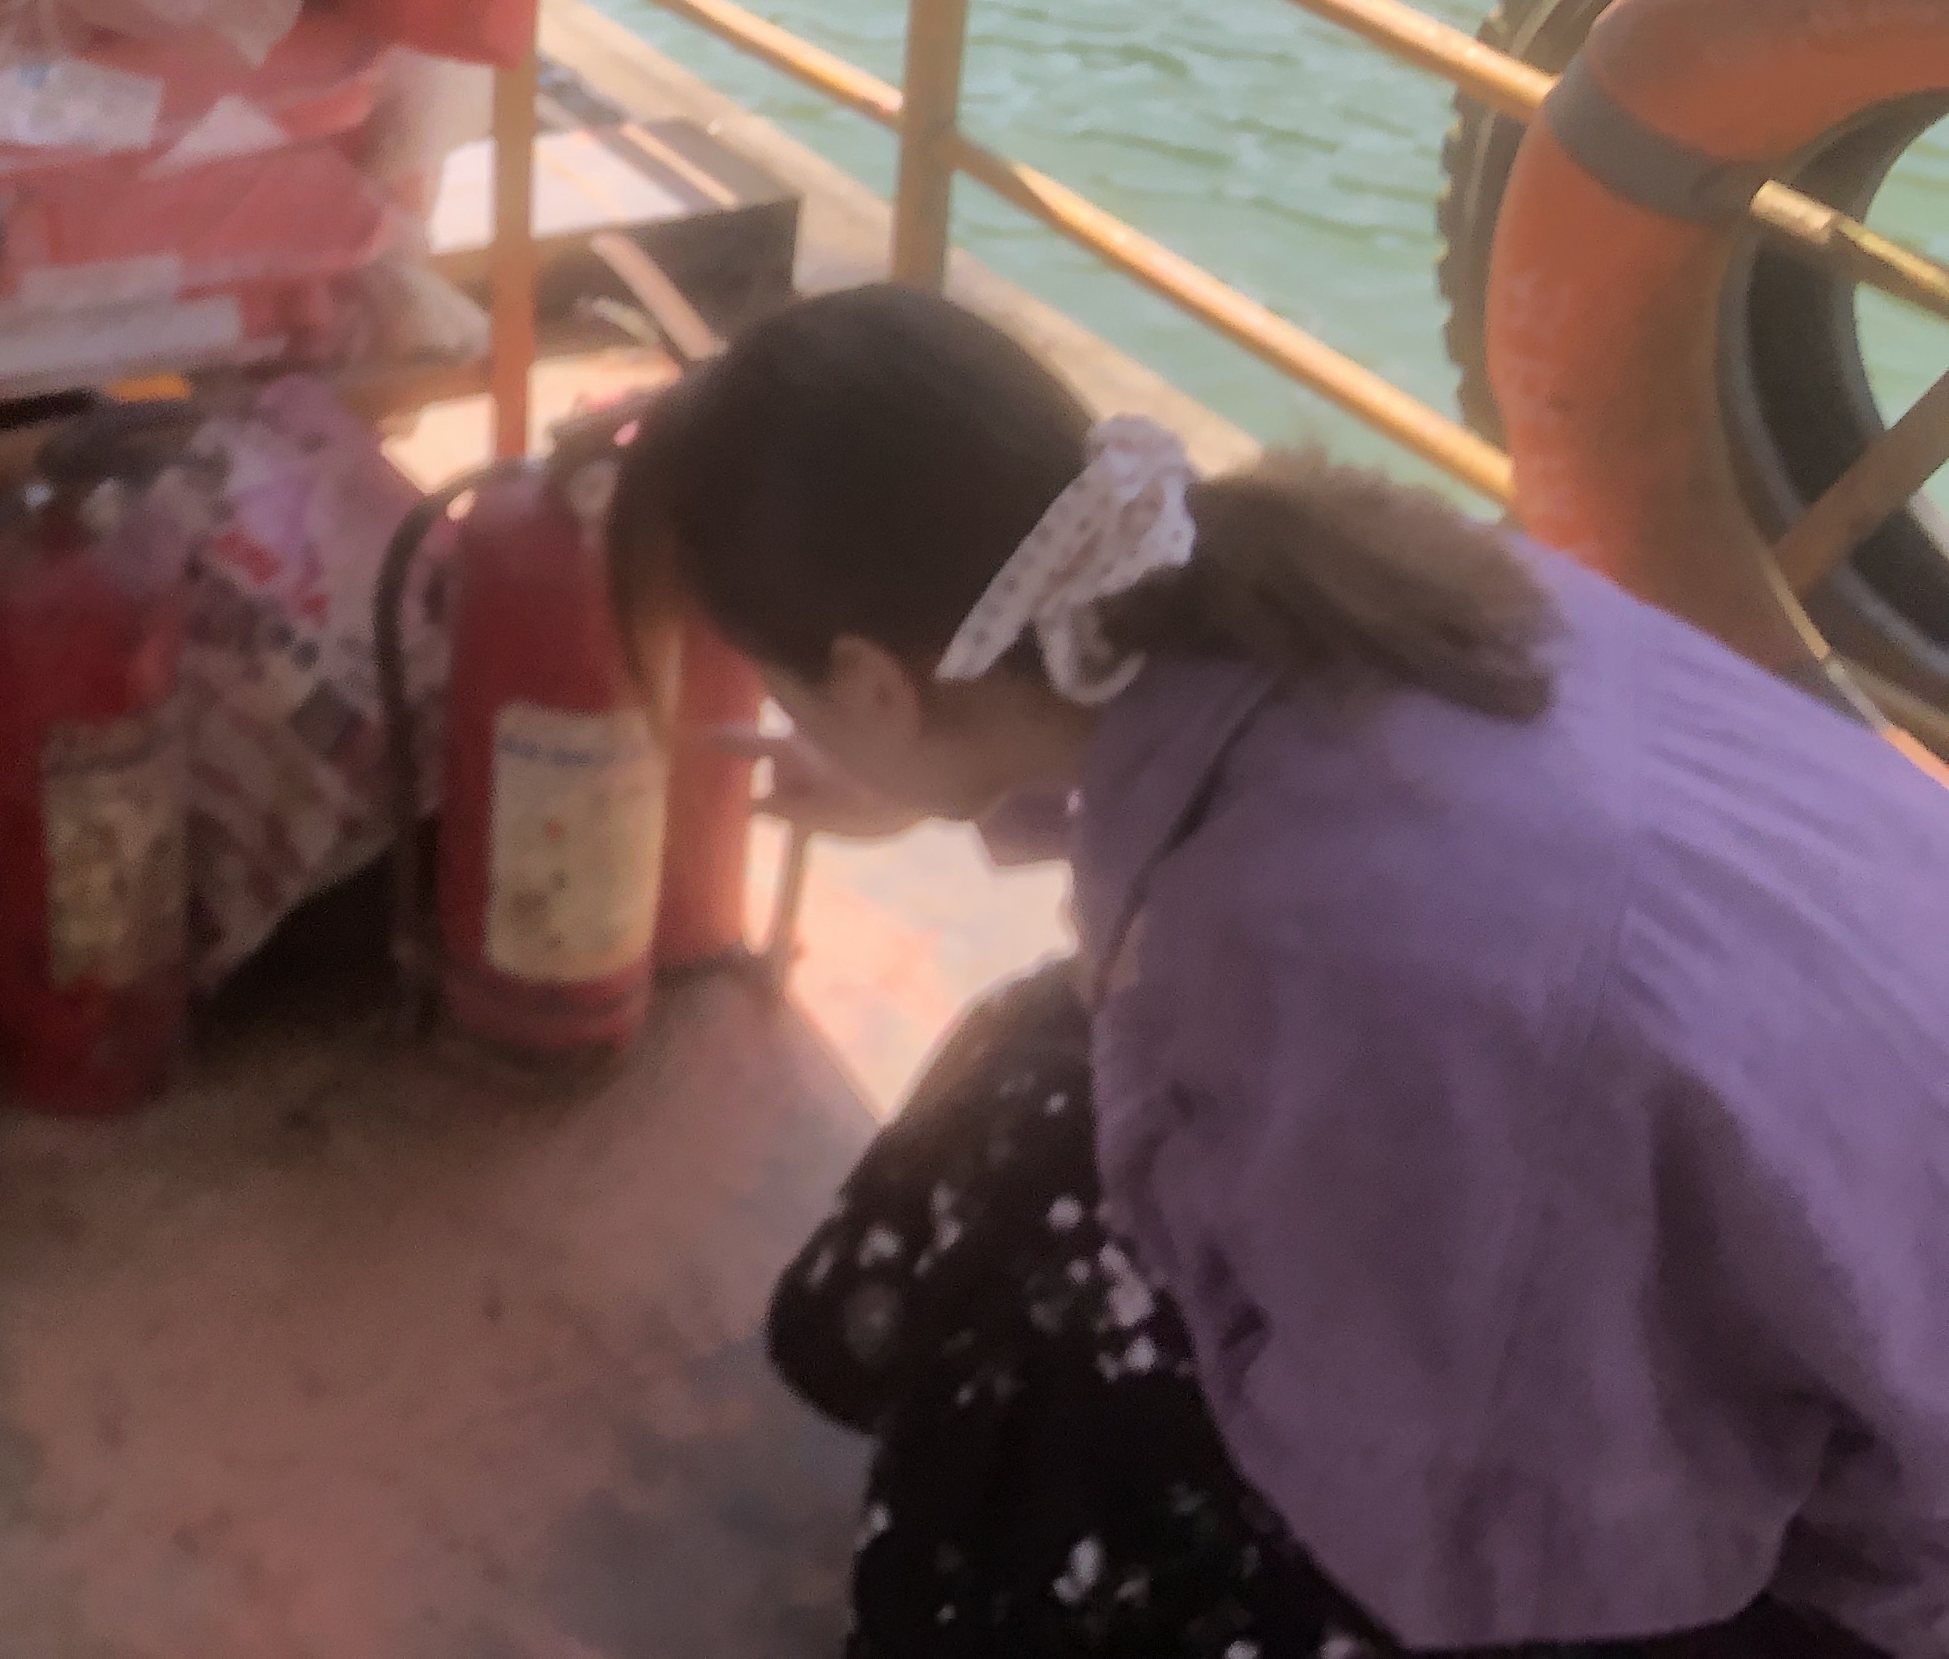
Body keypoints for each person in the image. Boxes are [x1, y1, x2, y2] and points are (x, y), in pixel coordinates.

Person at [606, 285, 1949, 1659]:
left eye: (796, 695)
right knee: (1048, 1070)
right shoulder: (1364, 578)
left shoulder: (1301, 959)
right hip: (1812, 1222)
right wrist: (922, 778)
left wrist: (1226, 1310)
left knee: (1077, 1382)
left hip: (1880, 1571)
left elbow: (1481, 1550)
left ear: (876, 688)